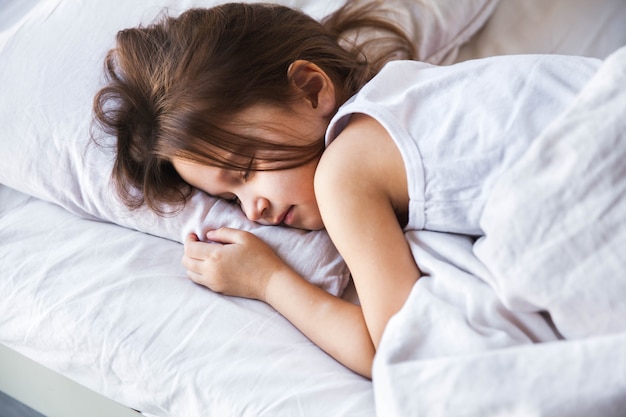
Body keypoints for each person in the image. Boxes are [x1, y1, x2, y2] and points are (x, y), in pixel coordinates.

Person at [93, 2, 601, 378]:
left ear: (312, 90)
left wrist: (268, 282)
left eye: (245, 168)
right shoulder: (412, 95)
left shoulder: (345, 170)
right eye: (231, 201)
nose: (255, 208)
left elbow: (396, 350)